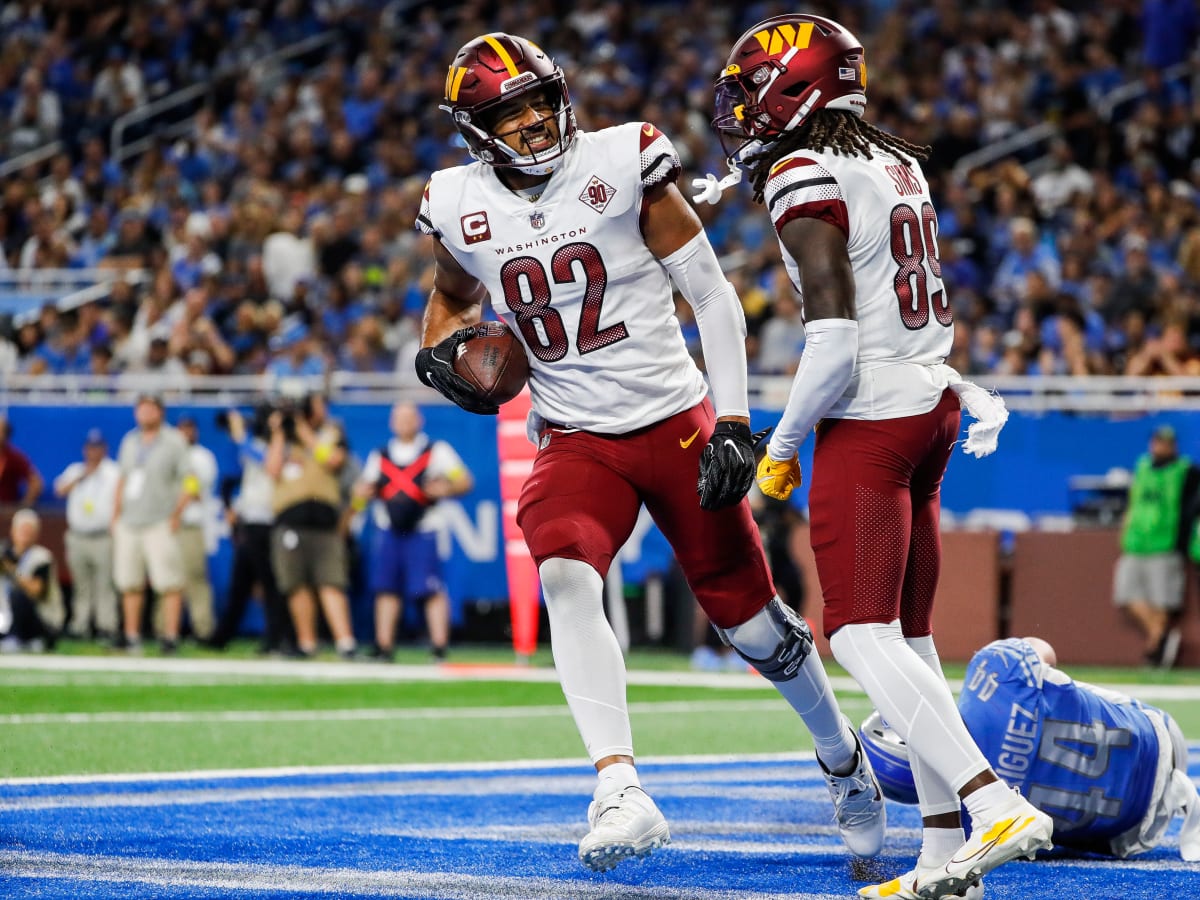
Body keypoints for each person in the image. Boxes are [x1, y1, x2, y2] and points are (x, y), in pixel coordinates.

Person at [416, 31, 884, 872]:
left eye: (536, 101)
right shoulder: (456, 202)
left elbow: (711, 295)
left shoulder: (623, 157)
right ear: (473, 128)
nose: (529, 122)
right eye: (506, 112)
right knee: (563, 572)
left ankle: (842, 756)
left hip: (673, 419)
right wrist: (443, 357)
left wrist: (734, 421)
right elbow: (447, 305)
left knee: (755, 628)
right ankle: (620, 787)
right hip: (574, 436)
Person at [705, 15, 1053, 899]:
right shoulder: (888, 160)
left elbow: (832, 345)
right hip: (932, 400)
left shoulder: (803, 169)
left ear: (796, 89)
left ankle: (990, 800)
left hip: (876, 414)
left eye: (752, 89)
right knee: (909, 639)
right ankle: (942, 853)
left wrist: (780, 447)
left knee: (855, 633)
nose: (741, 110)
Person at [860, 636, 1200, 863]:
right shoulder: (991, 673)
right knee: (1051, 682)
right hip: (1158, 738)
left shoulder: (966, 832)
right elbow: (1044, 649)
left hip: (1135, 830)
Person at [354, 402, 472, 662]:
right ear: (391, 422)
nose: (404, 423)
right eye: (399, 417)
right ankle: (384, 647)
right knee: (386, 588)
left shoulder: (437, 451)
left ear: (419, 421)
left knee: (430, 589)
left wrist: (446, 489)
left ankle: (439, 646)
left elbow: (463, 480)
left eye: (409, 417)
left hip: (425, 528)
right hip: (389, 528)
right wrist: (361, 496)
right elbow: (362, 490)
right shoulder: (380, 455)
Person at [265, 398, 357, 659]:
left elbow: (333, 461)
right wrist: (279, 433)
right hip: (289, 518)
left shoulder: (332, 432)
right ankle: (307, 644)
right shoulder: (284, 439)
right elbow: (272, 470)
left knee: (331, 581)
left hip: (325, 521)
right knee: (297, 584)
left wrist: (304, 431)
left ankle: (345, 643)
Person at [1113, 424, 1199, 669]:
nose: (1162, 446)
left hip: (1165, 544)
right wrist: (1125, 529)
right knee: (1127, 595)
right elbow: (1133, 502)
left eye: (1167, 442)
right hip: (1136, 543)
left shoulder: (1185, 471)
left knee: (1162, 600)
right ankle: (1160, 638)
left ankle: (1155, 651)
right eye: (1158, 441)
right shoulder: (1142, 467)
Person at [209, 407, 293, 655]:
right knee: (240, 584)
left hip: (267, 521)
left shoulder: (282, 447)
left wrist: (243, 435)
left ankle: (277, 638)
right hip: (250, 520)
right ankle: (221, 636)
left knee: (269, 584)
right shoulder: (256, 443)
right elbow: (238, 472)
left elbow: (270, 465)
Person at [112, 393, 192, 654]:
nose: (144, 413)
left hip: (159, 520)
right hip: (130, 520)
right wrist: (115, 514)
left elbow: (190, 481)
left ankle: (170, 637)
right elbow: (123, 479)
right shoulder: (129, 440)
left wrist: (176, 514)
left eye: (150, 408)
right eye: (141, 408)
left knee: (169, 582)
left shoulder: (174, 441)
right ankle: (132, 636)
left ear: (161, 411)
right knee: (129, 582)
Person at [53, 429, 120, 641]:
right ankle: (80, 625)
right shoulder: (76, 470)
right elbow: (60, 490)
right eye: (90, 448)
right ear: (85, 450)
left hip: (103, 535)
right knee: (81, 584)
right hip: (78, 535)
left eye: (98, 447)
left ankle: (106, 626)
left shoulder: (113, 472)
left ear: (105, 449)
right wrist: (82, 476)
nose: (94, 452)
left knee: (105, 584)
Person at [171, 414, 218, 643]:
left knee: (196, 579)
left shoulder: (202, 456)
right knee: (169, 580)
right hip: (169, 526)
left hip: (189, 524)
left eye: (190, 428)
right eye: (183, 428)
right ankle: (166, 629)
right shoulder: (170, 454)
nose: (186, 433)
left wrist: (174, 513)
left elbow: (194, 489)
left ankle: (203, 629)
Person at [0, 509, 65, 651]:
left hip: (41, 619)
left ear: (36, 534)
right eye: (22, 530)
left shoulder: (42, 557)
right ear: (13, 531)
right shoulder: (6, 554)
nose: (25, 534)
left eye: (29, 530)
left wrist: (12, 571)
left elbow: (36, 590)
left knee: (18, 596)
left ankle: (22, 638)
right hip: (6, 617)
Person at [0, 417, 44, 507]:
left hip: (6, 511)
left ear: (6, 435)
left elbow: (36, 483)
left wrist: (23, 506)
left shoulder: (14, 458)